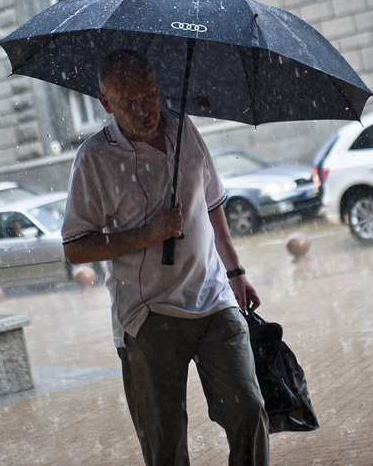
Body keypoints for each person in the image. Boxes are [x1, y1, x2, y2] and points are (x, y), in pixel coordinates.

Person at [61, 49, 270, 465]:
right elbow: (75, 247)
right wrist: (148, 233)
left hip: (213, 300)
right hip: (147, 315)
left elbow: (212, 205)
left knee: (249, 412)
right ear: (106, 104)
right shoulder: (94, 159)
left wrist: (236, 271)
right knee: (167, 445)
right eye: (130, 103)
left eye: (151, 96)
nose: (144, 111)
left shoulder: (184, 128)